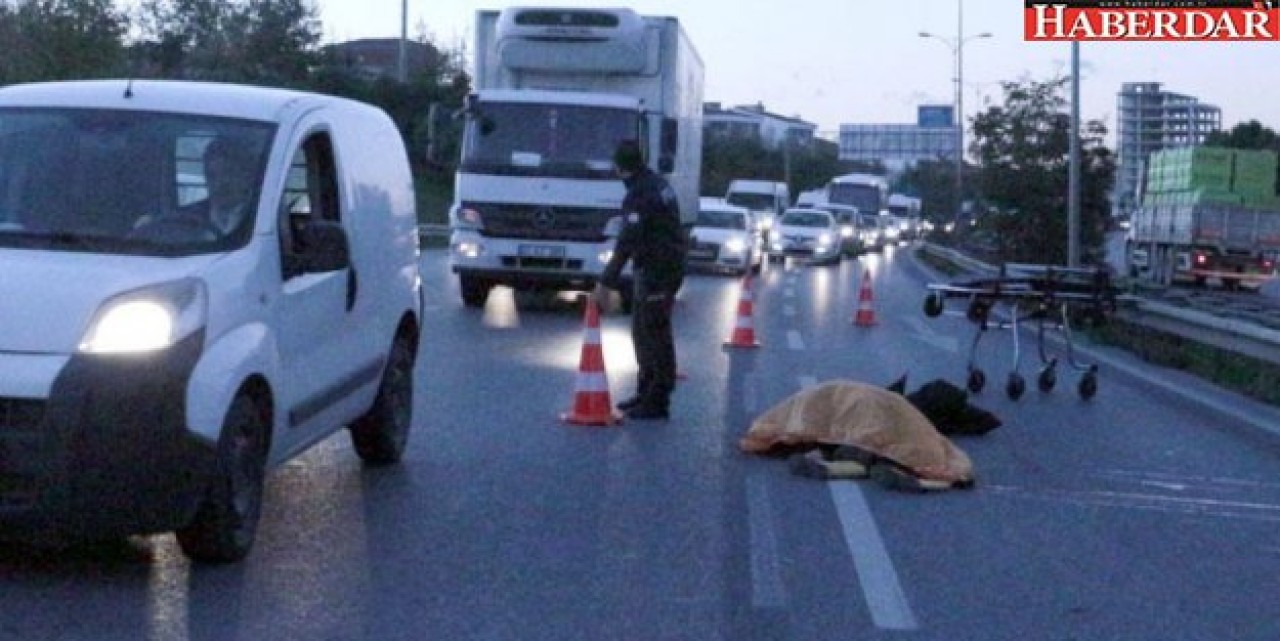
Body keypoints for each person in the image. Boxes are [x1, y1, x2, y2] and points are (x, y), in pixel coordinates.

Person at [592, 140, 687, 421]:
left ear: (619, 167)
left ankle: (658, 400)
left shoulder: (640, 193)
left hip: (659, 270)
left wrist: (605, 282)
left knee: (655, 334)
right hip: (659, 266)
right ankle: (644, 390)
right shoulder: (655, 183)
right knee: (641, 331)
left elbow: (627, 240)